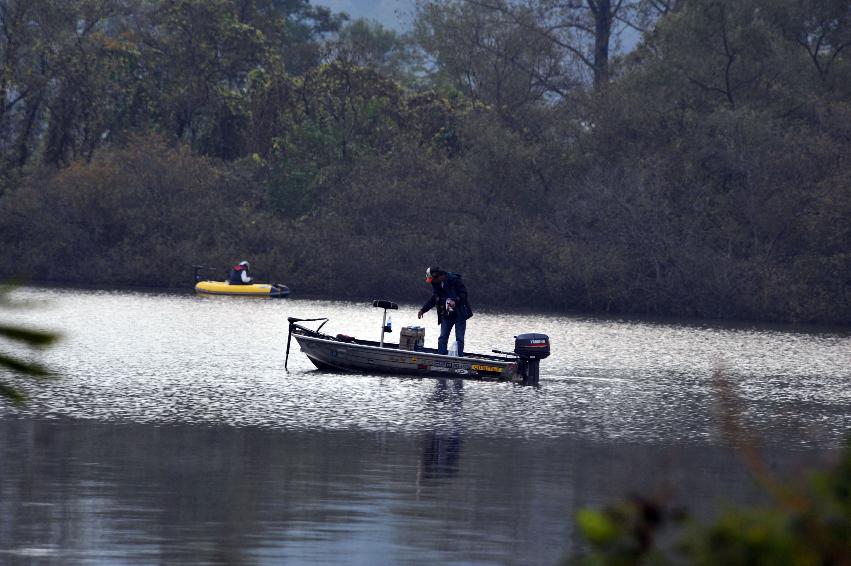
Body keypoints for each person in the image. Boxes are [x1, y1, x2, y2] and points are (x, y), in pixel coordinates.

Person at [417, 266, 473, 356]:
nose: (431, 282)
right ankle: (441, 357)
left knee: (459, 339)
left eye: (432, 279)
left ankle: (459, 358)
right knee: (442, 338)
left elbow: (464, 294)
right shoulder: (436, 284)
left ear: (437, 276)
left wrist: (456, 301)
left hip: (460, 314)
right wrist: (423, 310)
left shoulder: (454, 280)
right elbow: (434, 299)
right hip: (446, 315)